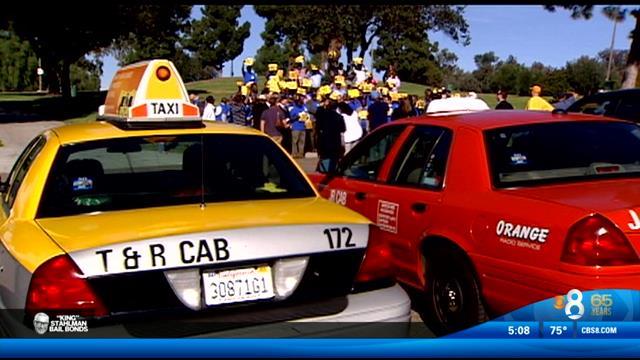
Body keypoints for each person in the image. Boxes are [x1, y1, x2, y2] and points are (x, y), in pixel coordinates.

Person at [315, 97, 346, 173]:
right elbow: (343, 129)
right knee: (334, 160)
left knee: (324, 158)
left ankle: (324, 171)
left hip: (324, 141)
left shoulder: (322, 116)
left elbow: (317, 127)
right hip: (335, 141)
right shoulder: (339, 117)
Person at [289, 90, 309, 158]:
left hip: (303, 127)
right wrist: (297, 116)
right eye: (300, 102)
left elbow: (307, 116)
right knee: (295, 141)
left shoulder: (304, 108)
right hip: (296, 127)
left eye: (302, 102)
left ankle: (301, 153)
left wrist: (306, 117)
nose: (301, 103)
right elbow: (291, 118)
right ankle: (294, 154)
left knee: (302, 141)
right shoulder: (293, 108)